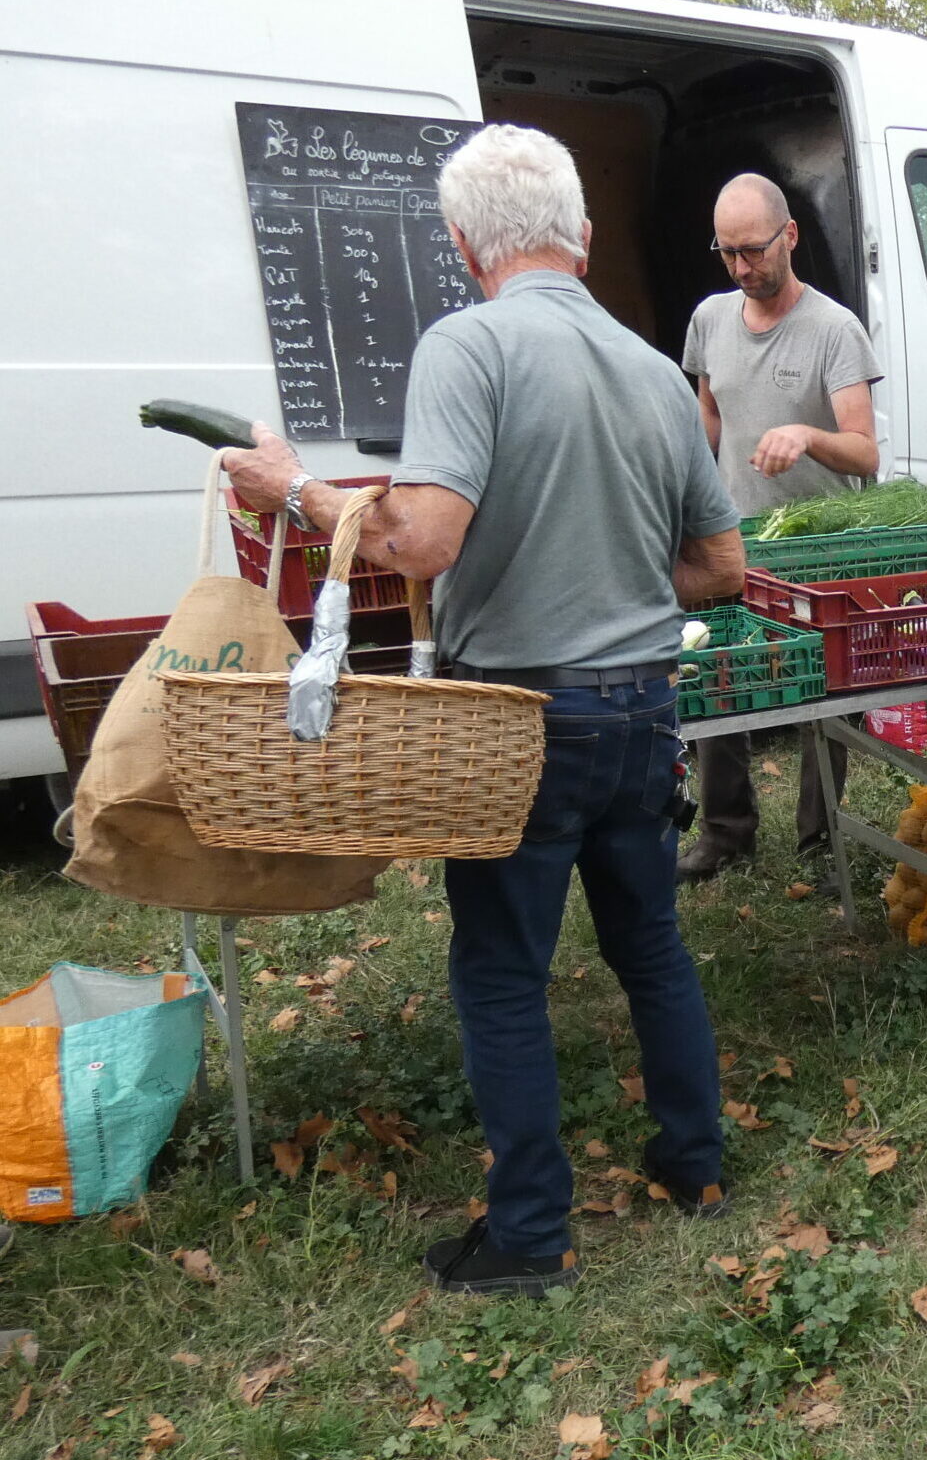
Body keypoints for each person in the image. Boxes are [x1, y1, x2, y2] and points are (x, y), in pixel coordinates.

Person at [223, 125, 747, 1295]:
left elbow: (423, 538)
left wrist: (290, 488)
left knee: (503, 970)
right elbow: (720, 565)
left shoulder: (467, 346)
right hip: (644, 704)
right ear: (586, 236)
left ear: (463, 245)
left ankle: (529, 1233)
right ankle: (694, 1165)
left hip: (521, 719)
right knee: (650, 945)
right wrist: (612, 574)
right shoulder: (658, 369)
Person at [674, 173, 884, 883]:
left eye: (753, 250)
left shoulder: (835, 330)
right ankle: (726, 833)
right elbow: (708, 415)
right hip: (733, 541)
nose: (741, 267)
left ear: (789, 236)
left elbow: (864, 450)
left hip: (816, 547)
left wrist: (806, 434)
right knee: (718, 678)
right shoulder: (708, 320)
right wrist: (686, 494)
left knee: (825, 692)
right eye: (726, 253)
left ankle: (820, 839)